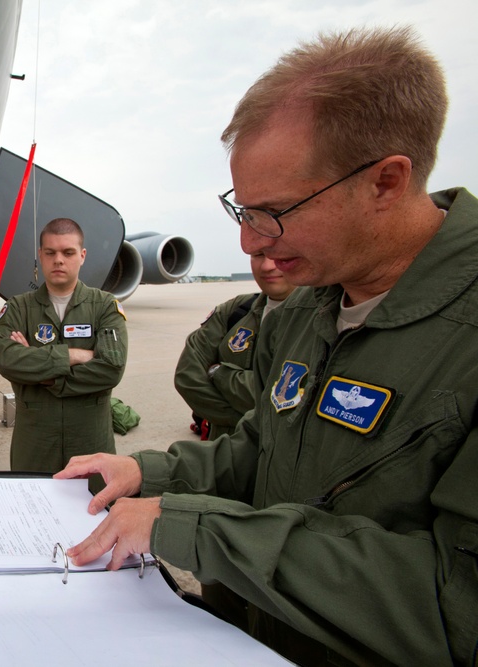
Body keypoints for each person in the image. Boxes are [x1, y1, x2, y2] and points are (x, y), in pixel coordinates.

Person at [57, 27, 478, 667]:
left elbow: (455, 609)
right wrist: (153, 472)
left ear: (387, 182)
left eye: (274, 212)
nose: (253, 245)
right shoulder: (309, 305)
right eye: (242, 212)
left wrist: (196, 527)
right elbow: (262, 448)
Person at [0, 217, 128, 473]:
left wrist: (47, 375)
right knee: (32, 508)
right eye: (51, 252)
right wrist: (74, 355)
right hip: (34, 446)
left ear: (82, 255)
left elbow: (111, 368)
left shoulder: (105, 307)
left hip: (91, 442)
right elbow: (7, 359)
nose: (59, 260)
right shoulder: (19, 308)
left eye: (68, 252)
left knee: (94, 509)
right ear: (40, 255)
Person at [175, 250, 295, 441]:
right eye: (258, 255)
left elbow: (290, 400)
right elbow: (188, 378)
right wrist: (256, 423)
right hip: (224, 458)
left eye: (278, 254)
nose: (267, 266)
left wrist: (220, 374)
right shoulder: (236, 310)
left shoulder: (325, 321)